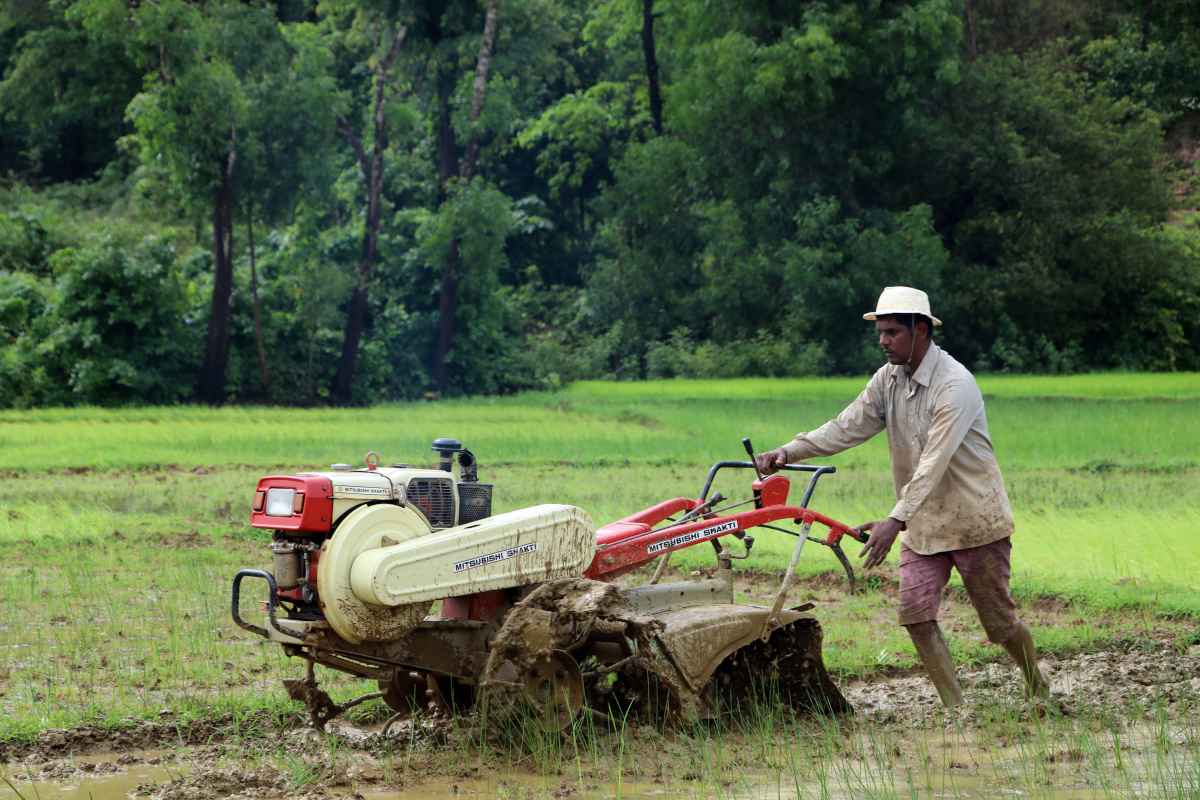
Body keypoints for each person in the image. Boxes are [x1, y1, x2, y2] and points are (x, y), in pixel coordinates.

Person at [754, 286, 1049, 708]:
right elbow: (845, 426)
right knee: (915, 615)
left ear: (921, 330)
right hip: (922, 523)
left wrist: (894, 520)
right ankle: (957, 708)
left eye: (892, 332)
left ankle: (1035, 679)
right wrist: (789, 452)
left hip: (974, 522)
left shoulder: (955, 386)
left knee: (999, 626)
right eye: (880, 332)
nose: (883, 341)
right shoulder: (887, 380)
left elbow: (934, 462)